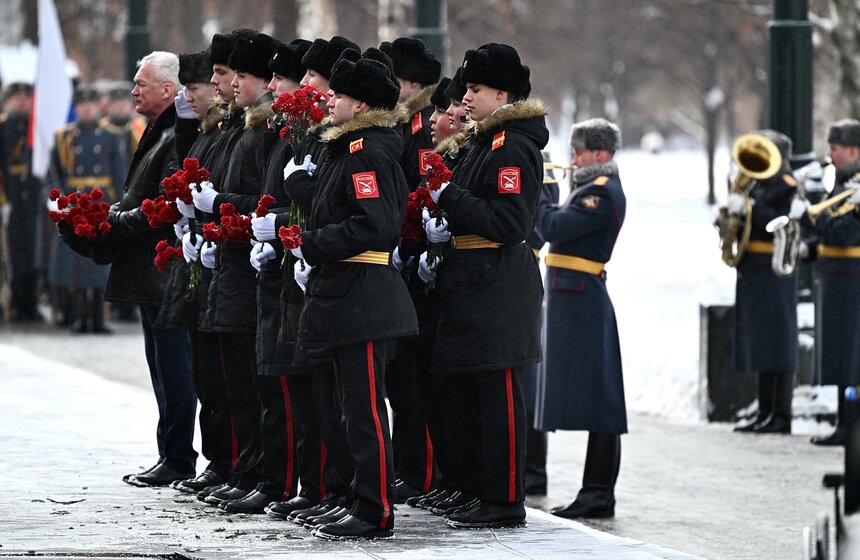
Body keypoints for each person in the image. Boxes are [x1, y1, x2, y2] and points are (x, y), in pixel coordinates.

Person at [284, 48, 418, 540]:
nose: (330, 101)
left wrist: (314, 244)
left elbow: (376, 225)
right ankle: (358, 498)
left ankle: (375, 508)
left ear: (360, 106)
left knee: (364, 409)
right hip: (346, 293)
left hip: (364, 295)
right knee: (350, 406)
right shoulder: (347, 148)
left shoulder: (369, 151)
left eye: (338, 95)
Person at [423, 43, 547, 529]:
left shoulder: (512, 145)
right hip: (473, 280)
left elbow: (509, 221)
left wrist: (448, 196)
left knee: (498, 399)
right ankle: (477, 489)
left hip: (497, 285)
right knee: (472, 398)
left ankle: (506, 498)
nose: (466, 98)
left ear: (503, 92)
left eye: (475, 89)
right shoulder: (485, 140)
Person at [61, 52, 198, 486]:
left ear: (167, 90)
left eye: (141, 83)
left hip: (165, 273)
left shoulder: (176, 135)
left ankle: (178, 457)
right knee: (161, 369)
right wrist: (96, 221)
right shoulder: (159, 131)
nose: (134, 90)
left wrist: (110, 223)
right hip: (148, 273)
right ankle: (169, 453)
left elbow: (159, 208)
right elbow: (137, 199)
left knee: (176, 371)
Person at [190, 31, 279, 509]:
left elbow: (266, 199)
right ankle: (245, 468)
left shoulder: (263, 128)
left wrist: (219, 204)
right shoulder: (242, 126)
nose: (233, 83)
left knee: (253, 380)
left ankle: (259, 472)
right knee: (234, 380)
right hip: (230, 262)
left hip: (248, 267)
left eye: (241, 75)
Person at [534, 118, 626, 519]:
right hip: (572, 299)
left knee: (601, 398)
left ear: (600, 155)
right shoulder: (589, 188)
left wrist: (539, 189)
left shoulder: (600, 194)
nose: (574, 159)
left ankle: (599, 492)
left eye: (580, 151)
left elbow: (553, 225)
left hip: (582, 299)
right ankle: (595, 490)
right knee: (594, 394)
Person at [158, 47, 233, 496]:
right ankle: (222, 461)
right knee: (211, 374)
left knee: (232, 378)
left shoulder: (229, 128)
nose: (189, 95)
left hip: (229, 265)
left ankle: (238, 465)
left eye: (196, 86)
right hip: (206, 262)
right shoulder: (206, 128)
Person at [379, 36, 443, 503]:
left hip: (415, 262)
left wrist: (411, 248)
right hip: (395, 262)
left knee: (415, 378)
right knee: (399, 378)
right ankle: (407, 467)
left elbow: (419, 193)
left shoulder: (420, 130)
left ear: (413, 85)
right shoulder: (397, 124)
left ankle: (419, 471)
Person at [795, 119, 860, 445]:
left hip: (853, 281)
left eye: (835, 148)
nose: (829, 155)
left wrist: (810, 215)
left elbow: (847, 234)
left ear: (853, 150)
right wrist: (811, 248)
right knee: (838, 354)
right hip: (837, 278)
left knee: (851, 356)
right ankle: (842, 424)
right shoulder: (843, 184)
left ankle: (852, 428)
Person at [730, 129, 798, 435]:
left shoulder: (787, 186)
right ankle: (765, 407)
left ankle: (781, 413)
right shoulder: (756, 185)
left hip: (774, 267)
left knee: (777, 340)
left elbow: (779, 223)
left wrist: (751, 210)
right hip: (753, 268)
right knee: (759, 339)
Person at [47, 85, 125, 333]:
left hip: (101, 201)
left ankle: (99, 318)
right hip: (75, 202)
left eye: (91, 104)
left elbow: (118, 171)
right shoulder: (64, 137)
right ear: (77, 108)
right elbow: (55, 173)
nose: (87, 109)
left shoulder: (111, 135)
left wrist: (120, 202)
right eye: (82, 105)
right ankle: (81, 315)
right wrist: (57, 200)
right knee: (77, 262)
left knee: (100, 262)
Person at [0, 83, 44, 322]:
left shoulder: (36, 127)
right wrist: (3, 199)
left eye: (26, 97)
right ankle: (17, 301)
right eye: (16, 97)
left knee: (33, 250)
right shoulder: (3, 127)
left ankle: (32, 302)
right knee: (15, 252)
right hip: (12, 194)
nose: (21, 102)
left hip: (33, 193)